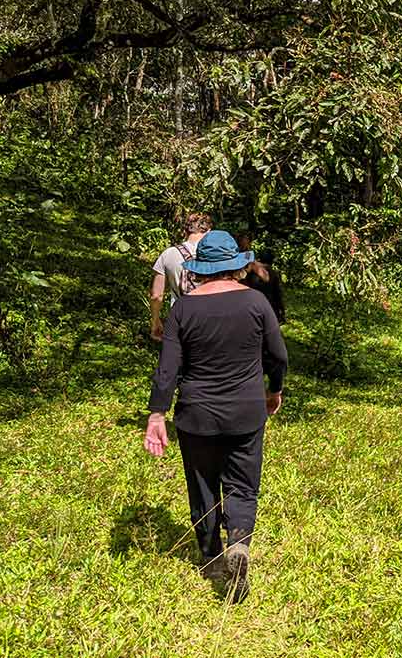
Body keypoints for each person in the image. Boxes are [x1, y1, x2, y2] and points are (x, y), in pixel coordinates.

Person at [144, 230, 287, 603]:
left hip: (196, 415)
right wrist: (275, 389)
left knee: (203, 486)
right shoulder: (256, 302)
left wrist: (156, 414)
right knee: (242, 485)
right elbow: (278, 355)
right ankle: (238, 543)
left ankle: (211, 558)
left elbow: (167, 370)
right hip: (245, 411)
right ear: (236, 267)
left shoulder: (183, 308)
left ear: (201, 269)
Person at [149, 212, 212, 342]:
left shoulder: (168, 254)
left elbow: (156, 296)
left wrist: (155, 321)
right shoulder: (216, 254)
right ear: (209, 231)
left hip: (180, 320)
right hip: (212, 321)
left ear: (185, 230)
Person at [236, 233, 285, 325]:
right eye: (243, 241)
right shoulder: (235, 253)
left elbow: (249, 265)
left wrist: (254, 266)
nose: (245, 243)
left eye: (247, 241)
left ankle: (277, 313)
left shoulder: (248, 253)